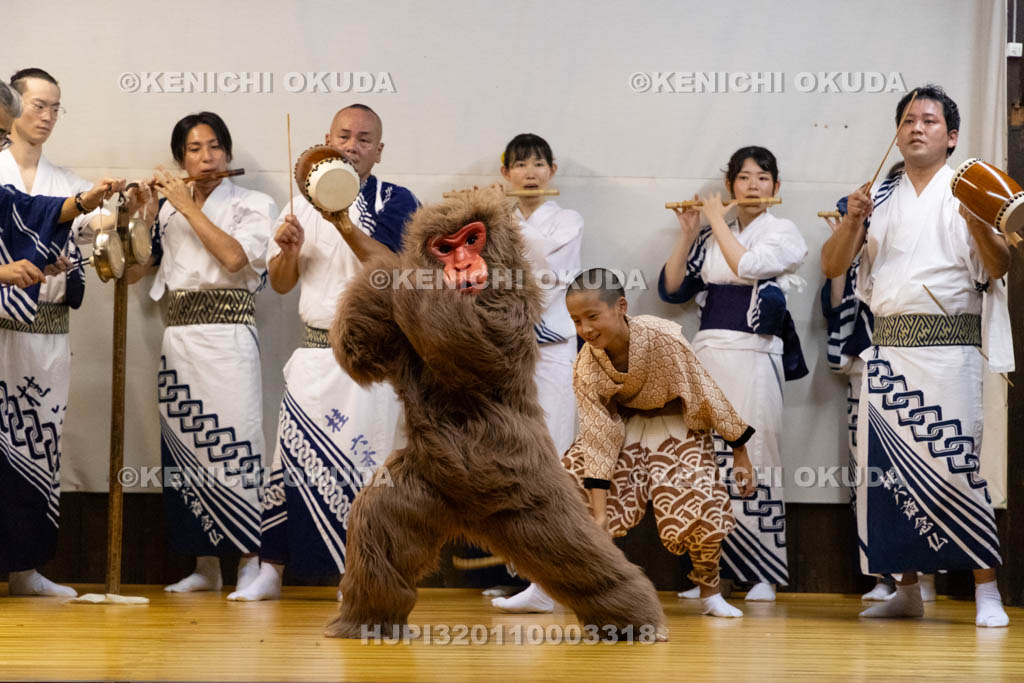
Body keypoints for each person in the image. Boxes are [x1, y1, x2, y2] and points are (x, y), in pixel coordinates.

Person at [821, 85, 1011, 627]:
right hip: (888, 349)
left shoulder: (970, 189)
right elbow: (834, 267)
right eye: (907, 120)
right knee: (889, 475)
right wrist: (852, 220)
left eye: (929, 120)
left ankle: (986, 591)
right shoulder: (875, 197)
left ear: (951, 137)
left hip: (952, 348)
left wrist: (978, 219)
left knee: (957, 465)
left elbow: (998, 268)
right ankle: (906, 590)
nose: (916, 127)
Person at [228, 104, 418, 601]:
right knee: (289, 462)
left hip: (372, 361)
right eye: (344, 136)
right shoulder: (300, 202)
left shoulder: (395, 201)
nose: (352, 145)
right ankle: (272, 569)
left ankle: (360, 574)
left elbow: (394, 271)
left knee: (368, 469)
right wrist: (288, 251)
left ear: (379, 151)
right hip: (314, 353)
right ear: (327, 141)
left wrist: (341, 222)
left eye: (364, 138)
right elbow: (282, 284)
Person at [129, 111, 277, 595]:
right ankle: (205, 566)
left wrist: (187, 206)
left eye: (214, 147)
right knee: (187, 451)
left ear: (228, 153)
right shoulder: (169, 208)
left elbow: (236, 259)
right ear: (180, 158)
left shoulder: (255, 202)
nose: (206, 157)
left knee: (238, 446)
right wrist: (147, 213)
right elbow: (136, 270)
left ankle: (251, 562)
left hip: (229, 335)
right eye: (194, 150)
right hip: (180, 339)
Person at [560, 268, 756, 618]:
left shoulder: (662, 337)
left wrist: (739, 452)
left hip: (678, 425)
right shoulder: (586, 365)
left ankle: (710, 591)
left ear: (620, 306)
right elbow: (596, 434)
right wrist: (600, 513)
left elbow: (705, 392)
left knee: (701, 500)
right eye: (576, 321)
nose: (585, 329)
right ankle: (550, 586)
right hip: (627, 428)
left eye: (592, 316)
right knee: (569, 478)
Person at [658, 147, 807, 602]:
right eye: (744, 178)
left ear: (776, 187)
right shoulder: (709, 236)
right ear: (731, 186)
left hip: (754, 353)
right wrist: (688, 233)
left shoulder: (783, 232)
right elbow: (670, 289)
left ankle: (761, 573)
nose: (753, 186)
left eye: (763, 178)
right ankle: (709, 575)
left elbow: (747, 266)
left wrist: (715, 220)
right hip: (708, 354)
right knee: (707, 459)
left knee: (756, 450)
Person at [0, 77, 126, 596]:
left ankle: (27, 567)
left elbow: (96, 243)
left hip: (46, 335)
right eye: (37, 105)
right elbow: (33, 214)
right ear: (11, 108)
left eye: (56, 107)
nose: (47, 115)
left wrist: (115, 213)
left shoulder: (63, 178)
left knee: (38, 447)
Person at [488, 133, 583, 613]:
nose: (529, 172)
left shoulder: (569, 220)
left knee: (552, 454)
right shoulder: (493, 219)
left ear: (553, 171)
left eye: (539, 163)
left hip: (552, 350)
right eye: (519, 164)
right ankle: (526, 574)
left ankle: (551, 581)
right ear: (504, 173)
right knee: (511, 454)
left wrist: (491, 225)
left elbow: (544, 273)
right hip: (506, 348)